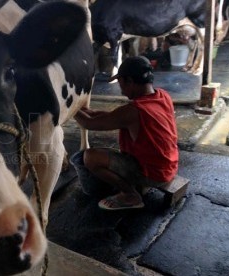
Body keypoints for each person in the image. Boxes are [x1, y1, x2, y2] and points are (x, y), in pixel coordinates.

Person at [73, 56, 179, 210]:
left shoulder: (133, 111)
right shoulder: (162, 95)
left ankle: (130, 195)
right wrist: (90, 111)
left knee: (90, 157)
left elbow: (88, 124)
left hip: (154, 174)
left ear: (129, 81)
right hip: (169, 164)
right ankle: (133, 186)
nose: (121, 90)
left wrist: (68, 107)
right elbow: (113, 117)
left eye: (121, 83)